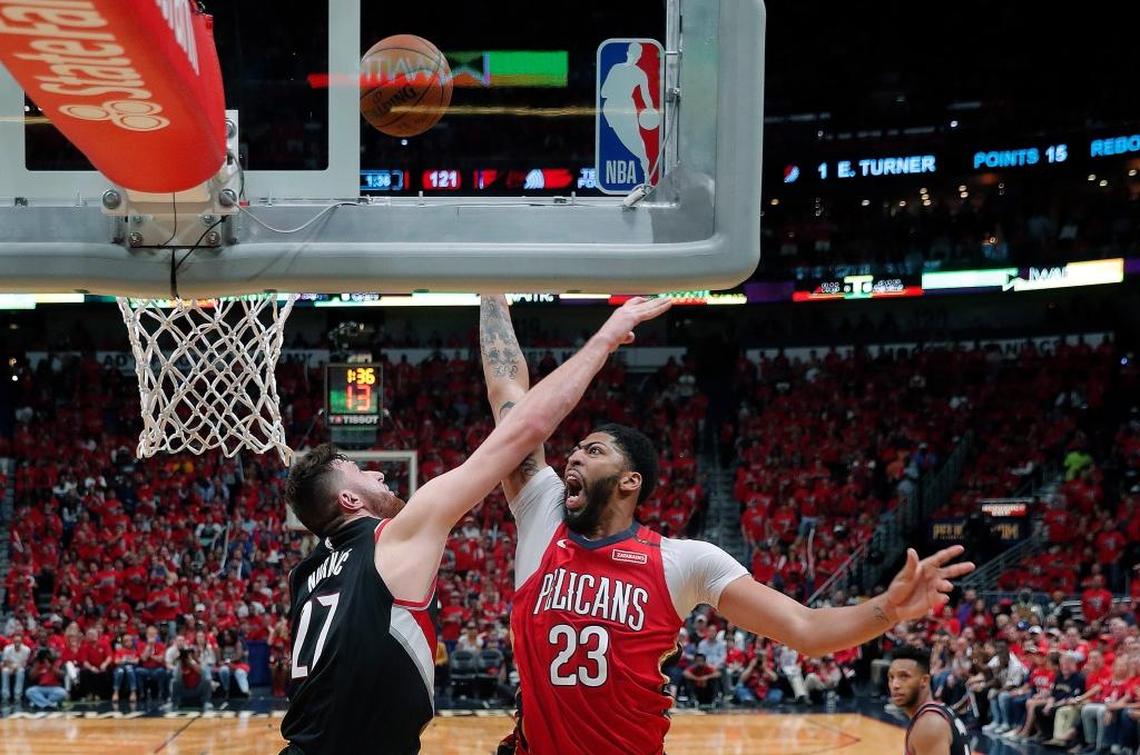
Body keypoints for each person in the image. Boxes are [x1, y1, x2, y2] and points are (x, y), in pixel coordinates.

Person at [479, 294, 974, 755]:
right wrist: (489, 284)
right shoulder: (543, 514)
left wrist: (886, 608)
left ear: (631, 481)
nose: (572, 456)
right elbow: (510, 398)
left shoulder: (683, 560)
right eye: (576, 448)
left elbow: (803, 627)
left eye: (593, 450)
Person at [279, 297, 671, 754]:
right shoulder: (392, 537)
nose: (380, 473)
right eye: (364, 474)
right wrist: (605, 338)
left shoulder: (304, 576)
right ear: (348, 500)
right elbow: (524, 427)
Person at [888, 645, 971, 755]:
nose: (895, 685)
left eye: (904, 676)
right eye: (891, 677)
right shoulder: (939, 709)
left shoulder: (929, 725)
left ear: (925, 680)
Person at [1, 633, 30, 707]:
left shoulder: (26, 649)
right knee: (4, 671)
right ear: (13, 641)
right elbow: (5, 662)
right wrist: (11, 667)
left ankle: (17, 697)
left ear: (22, 641)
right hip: (9, 666)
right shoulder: (7, 648)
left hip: (20, 667)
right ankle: (5, 697)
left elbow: (24, 663)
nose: (17, 643)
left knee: (20, 671)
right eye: (15, 641)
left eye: (19, 641)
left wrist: (15, 667)